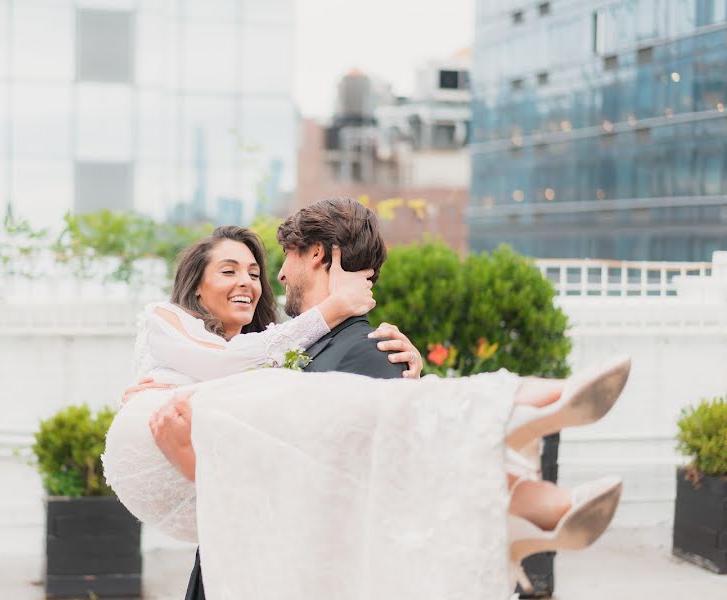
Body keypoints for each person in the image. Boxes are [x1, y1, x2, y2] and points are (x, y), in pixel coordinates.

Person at [103, 199, 629, 599]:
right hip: (232, 554)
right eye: (234, 271)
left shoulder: (363, 351)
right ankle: (538, 472)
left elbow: (358, 494)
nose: (273, 277)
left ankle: (535, 449)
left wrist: (194, 460)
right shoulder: (285, 348)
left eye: (277, 262)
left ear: (317, 255)